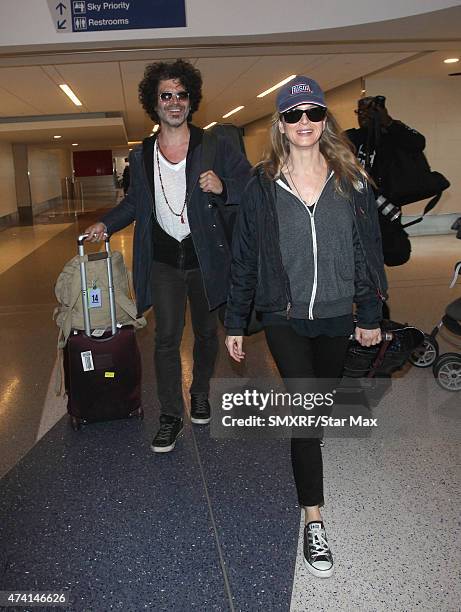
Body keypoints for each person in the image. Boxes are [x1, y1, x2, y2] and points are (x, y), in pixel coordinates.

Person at [224, 77, 387, 578]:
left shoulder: (350, 180)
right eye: (293, 115)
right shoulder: (262, 184)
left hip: (337, 314)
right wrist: (235, 319)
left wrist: (370, 314)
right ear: (280, 123)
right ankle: (313, 519)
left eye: (313, 113)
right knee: (305, 412)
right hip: (284, 316)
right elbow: (246, 257)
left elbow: (366, 251)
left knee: (320, 400)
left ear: (324, 119)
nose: (304, 124)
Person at [85, 59, 251, 453]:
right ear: (153, 103)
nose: (175, 101)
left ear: (190, 101)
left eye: (181, 94)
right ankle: (171, 416)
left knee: (208, 334)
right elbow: (136, 204)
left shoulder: (213, 144)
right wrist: (106, 225)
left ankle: (200, 393)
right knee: (166, 339)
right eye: (166, 95)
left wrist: (224, 186)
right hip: (162, 259)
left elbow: (248, 184)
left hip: (205, 257)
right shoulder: (142, 154)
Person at [345, 97, 425, 317]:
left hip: (384, 214)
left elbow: (418, 142)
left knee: (382, 262)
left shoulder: (393, 136)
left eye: (369, 113)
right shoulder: (352, 138)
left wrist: (387, 122)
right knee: (361, 269)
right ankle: (374, 313)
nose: (364, 117)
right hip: (356, 215)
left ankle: (377, 316)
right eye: (359, 112)